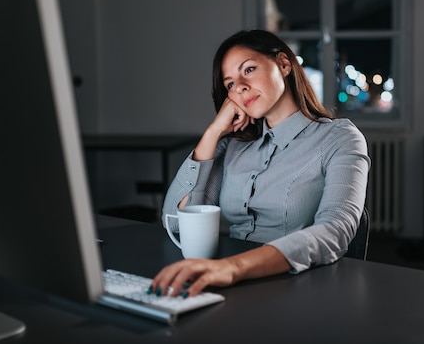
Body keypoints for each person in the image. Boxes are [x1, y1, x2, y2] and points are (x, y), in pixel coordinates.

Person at [149, 29, 370, 298]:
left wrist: (234, 267)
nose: (239, 86)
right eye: (229, 84)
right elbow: (176, 225)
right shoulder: (232, 145)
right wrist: (213, 133)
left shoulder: (339, 138)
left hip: (297, 289)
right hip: (226, 282)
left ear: (284, 64)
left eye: (249, 70)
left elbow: (335, 230)